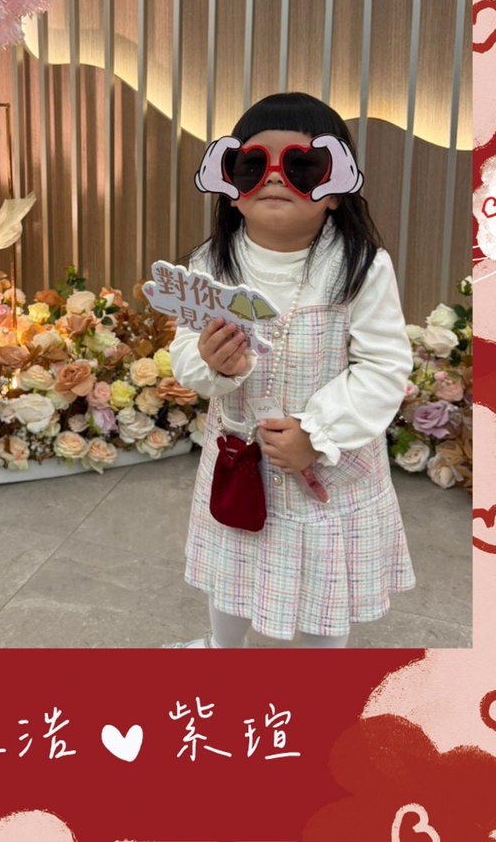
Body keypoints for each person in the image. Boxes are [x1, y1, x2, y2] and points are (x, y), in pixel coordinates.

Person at [165, 91, 415, 648]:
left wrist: (318, 433)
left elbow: (383, 365)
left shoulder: (361, 267)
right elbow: (184, 350)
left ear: (336, 190)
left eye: (302, 167)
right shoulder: (210, 264)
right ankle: (224, 651)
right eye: (253, 166)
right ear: (230, 186)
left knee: (323, 588)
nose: (275, 177)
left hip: (327, 467)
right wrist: (210, 363)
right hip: (238, 459)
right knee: (232, 561)